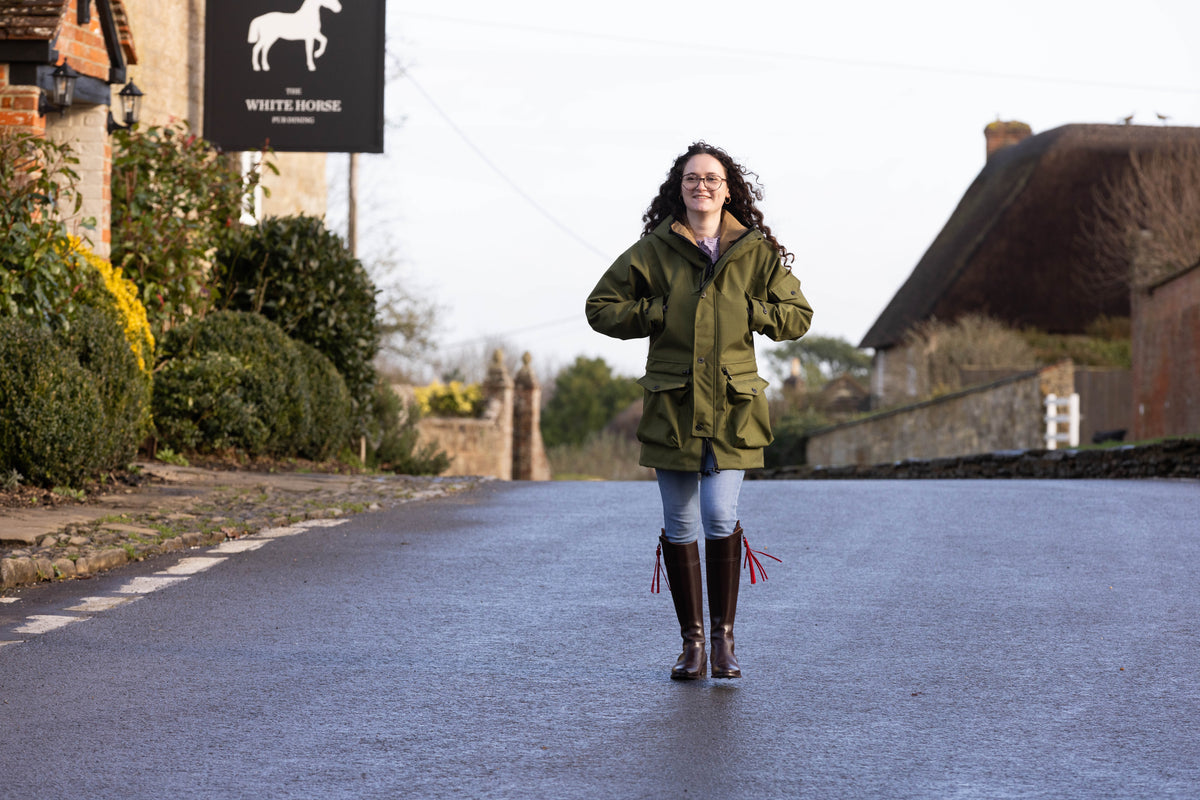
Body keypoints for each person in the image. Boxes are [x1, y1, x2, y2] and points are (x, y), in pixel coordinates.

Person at [586, 141, 813, 680]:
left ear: (728, 189)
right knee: (681, 521)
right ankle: (692, 646)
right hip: (674, 407)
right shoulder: (655, 249)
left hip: (734, 408)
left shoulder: (755, 251)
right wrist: (656, 311)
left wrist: (752, 310)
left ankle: (723, 642)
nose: (702, 186)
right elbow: (600, 307)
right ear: (679, 187)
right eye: (692, 178)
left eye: (712, 178)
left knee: (718, 515)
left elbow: (798, 314)